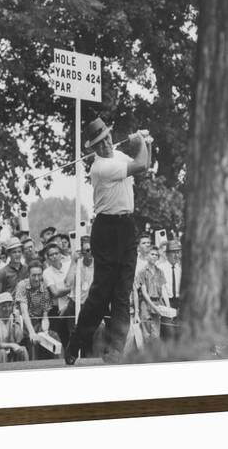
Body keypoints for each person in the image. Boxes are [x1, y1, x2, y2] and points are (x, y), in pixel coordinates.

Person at [66, 117, 149, 365]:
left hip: (126, 227)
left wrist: (148, 143)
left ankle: (115, 350)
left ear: (111, 136)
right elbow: (141, 165)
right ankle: (76, 343)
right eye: (99, 144)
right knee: (101, 294)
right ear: (93, 148)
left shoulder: (120, 155)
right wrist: (142, 141)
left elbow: (144, 162)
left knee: (122, 292)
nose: (105, 146)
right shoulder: (99, 167)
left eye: (107, 139)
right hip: (105, 229)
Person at [15, 260, 60, 359]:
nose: (36, 278)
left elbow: (45, 316)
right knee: (33, 341)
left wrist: (45, 331)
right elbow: (24, 312)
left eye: (39, 275)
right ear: (28, 275)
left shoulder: (44, 288)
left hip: (38, 323)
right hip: (22, 323)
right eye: (34, 275)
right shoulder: (22, 285)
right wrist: (32, 332)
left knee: (53, 336)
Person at [42, 242, 76, 348]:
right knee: (65, 339)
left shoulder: (69, 265)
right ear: (47, 258)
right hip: (58, 311)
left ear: (61, 254)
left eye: (56, 253)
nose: (54, 256)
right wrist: (71, 288)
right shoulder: (47, 273)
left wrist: (68, 303)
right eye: (51, 255)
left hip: (73, 306)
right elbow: (55, 293)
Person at [134, 246, 171, 342]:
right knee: (146, 335)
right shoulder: (142, 272)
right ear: (147, 256)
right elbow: (144, 292)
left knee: (156, 336)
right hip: (146, 305)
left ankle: (154, 356)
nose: (154, 256)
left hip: (158, 304)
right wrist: (153, 306)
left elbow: (163, 290)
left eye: (156, 255)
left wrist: (168, 307)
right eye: (152, 254)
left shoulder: (160, 272)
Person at [0, 292, 29, 363]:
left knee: (23, 349)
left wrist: (16, 321)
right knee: (2, 352)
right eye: (4, 306)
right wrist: (12, 345)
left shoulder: (17, 318)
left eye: (9, 306)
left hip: (12, 351)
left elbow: (18, 339)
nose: (7, 309)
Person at [158, 239, 182, 340]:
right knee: (168, 332)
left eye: (178, 252)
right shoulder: (160, 268)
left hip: (179, 302)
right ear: (167, 254)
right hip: (166, 301)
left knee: (179, 331)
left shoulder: (180, 269)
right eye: (173, 253)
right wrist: (167, 306)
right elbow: (161, 288)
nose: (176, 256)